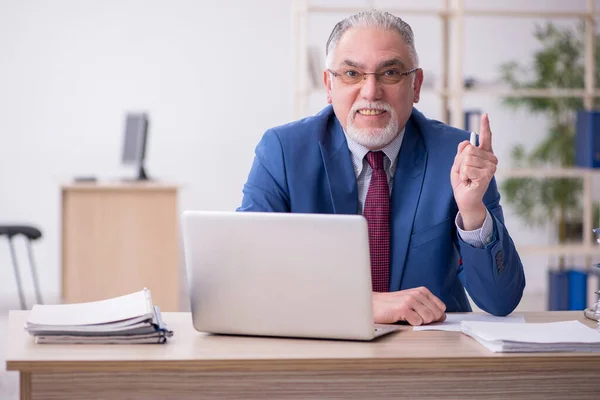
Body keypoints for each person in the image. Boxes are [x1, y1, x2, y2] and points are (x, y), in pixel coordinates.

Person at [238, 9, 525, 325]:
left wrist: (472, 213)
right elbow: (247, 275)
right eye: (351, 74)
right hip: (317, 345)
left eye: (390, 73)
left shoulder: (457, 156)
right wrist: (363, 305)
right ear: (328, 86)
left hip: (430, 354)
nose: (371, 92)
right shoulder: (282, 151)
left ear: (415, 86)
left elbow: (501, 300)